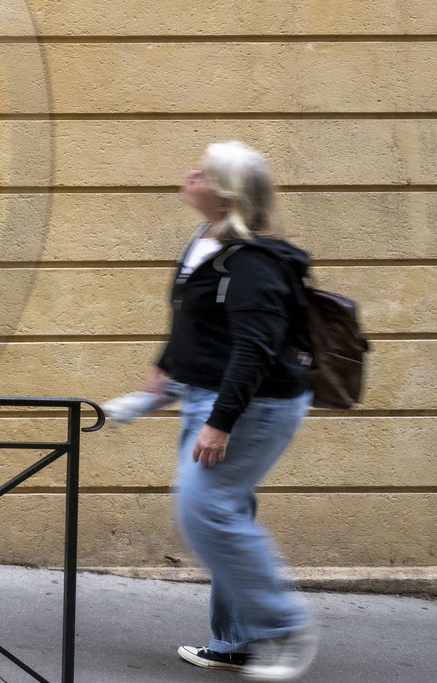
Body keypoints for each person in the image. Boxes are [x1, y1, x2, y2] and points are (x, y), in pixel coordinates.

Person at [147, 141, 317, 681]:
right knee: (224, 512)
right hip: (207, 395)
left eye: (203, 172)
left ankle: (284, 627)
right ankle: (239, 642)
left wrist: (221, 423)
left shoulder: (253, 262)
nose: (189, 173)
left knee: (205, 511)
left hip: (252, 407)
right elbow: (193, 320)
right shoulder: (206, 240)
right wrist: (164, 369)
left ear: (225, 195)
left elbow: (253, 350)